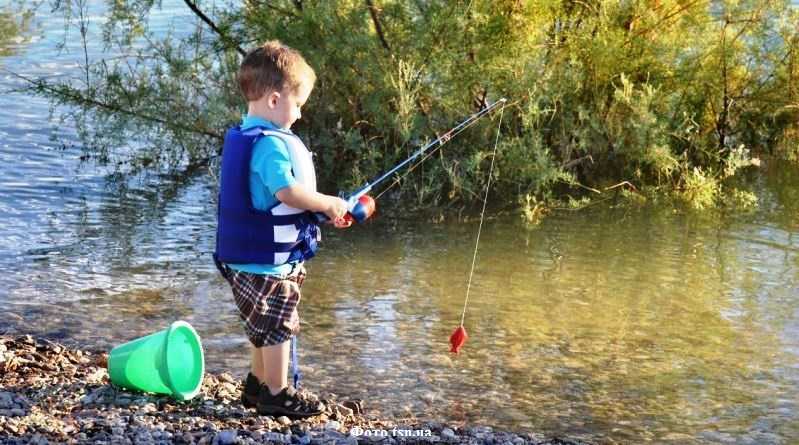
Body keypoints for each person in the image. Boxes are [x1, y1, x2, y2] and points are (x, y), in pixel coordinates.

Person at [214, 40, 350, 418]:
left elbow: (276, 203)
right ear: (274, 100)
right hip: (266, 264)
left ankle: (256, 387)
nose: (301, 115)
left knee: (262, 327)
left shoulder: (246, 135)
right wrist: (327, 202)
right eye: (299, 104)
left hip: (249, 259)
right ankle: (277, 393)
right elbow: (287, 192)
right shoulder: (271, 146)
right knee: (278, 328)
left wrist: (320, 214)